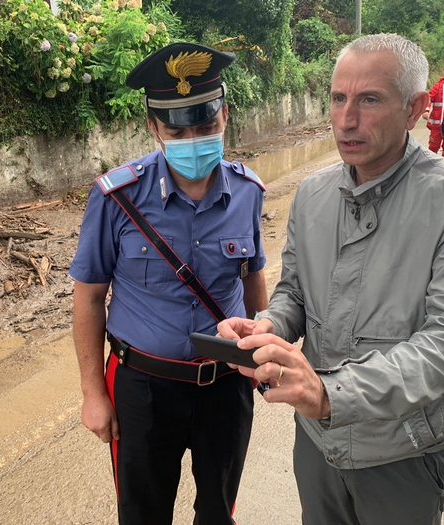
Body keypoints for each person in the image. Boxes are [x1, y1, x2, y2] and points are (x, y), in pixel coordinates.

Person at [218, 34, 444, 525]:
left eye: (369, 100)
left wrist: (331, 394)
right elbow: (294, 292)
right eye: (338, 98)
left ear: (415, 109)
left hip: (403, 451)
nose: (346, 120)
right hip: (318, 443)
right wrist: (269, 326)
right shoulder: (312, 194)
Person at [69, 42, 268, 525]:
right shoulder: (117, 197)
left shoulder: (248, 192)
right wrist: (93, 393)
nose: (193, 140)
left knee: (218, 511)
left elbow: (253, 279)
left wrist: (261, 352)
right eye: (177, 131)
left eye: (206, 126)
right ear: (154, 127)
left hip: (225, 386)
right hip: (143, 389)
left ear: (225, 116)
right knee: (143, 513)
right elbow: (89, 298)